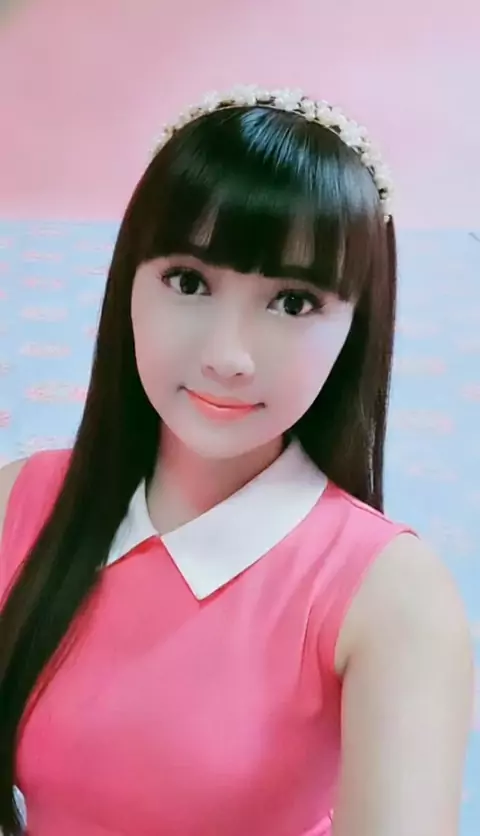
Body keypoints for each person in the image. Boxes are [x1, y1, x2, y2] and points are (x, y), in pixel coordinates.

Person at [0, 85, 473, 836]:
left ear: (356, 325)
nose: (229, 356)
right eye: (188, 282)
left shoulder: (392, 598)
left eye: (294, 302)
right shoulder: (21, 502)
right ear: (129, 283)